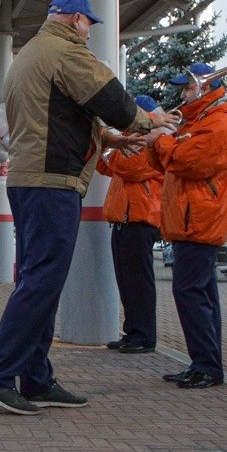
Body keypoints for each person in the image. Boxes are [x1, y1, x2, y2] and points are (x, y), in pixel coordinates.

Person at [0, 0, 176, 414]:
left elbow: (54, 117)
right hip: (52, 182)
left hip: (32, 179)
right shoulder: (64, 50)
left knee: (38, 278)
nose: (89, 34)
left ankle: (36, 378)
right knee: (43, 280)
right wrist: (146, 121)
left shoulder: (31, 54)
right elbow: (109, 97)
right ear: (77, 20)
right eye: (89, 25)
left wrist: (110, 139)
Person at [156, 64, 227, 387]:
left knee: (190, 292)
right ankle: (204, 362)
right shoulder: (201, 120)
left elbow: (188, 161)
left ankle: (207, 365)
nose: (182, 94)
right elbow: (172, 160)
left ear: (204, 88)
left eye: (187, 88)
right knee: (199, 293)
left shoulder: (221, 122)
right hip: (191, 218)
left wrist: (162, 140)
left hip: (199, 219)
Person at [97, 95, 165, 354]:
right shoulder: (133, 138)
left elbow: (127, 167)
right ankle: (134, 331)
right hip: (126, 218)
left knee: (138, 282)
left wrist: (110, 147)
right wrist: (112, 148)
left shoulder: (149, 141)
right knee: (128, 281)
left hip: (139, 218)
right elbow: (108, 167)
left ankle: (143, 335)